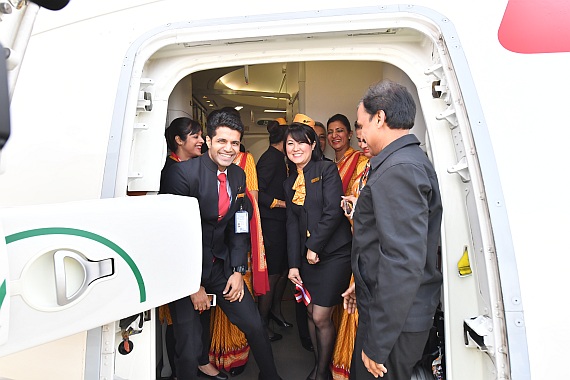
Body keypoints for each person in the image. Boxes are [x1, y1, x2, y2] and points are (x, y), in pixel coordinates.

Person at [161, 109, 282, 380]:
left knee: (255, 325)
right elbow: (174, 236)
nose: (229, 149)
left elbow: (239, 227)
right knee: (189, 348)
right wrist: (193, 286)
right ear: (209, 140)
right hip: (188, 273)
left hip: (221, 267)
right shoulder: (182, 175)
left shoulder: (238, 176)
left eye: (235, 143)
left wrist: (238, 270)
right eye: (222, 142)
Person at [348, 80, 443, 380]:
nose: (360, 133)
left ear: (380, 118)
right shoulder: (403, 161)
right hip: (389, 311)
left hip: (393, 325)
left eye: (361, 125)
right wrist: (361, 282)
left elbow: (402, 262)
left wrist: (377, 345)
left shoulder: (398, 169)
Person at [284, 122, 352, 380]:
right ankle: (319, 366)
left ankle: (322, 372)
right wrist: (293, 263)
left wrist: (314, 246)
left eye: (302, 142)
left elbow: (333, 211)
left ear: (313, 145)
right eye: (290, 143)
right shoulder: (289, 181)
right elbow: (292, 224)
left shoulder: (326, 170)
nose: (296, 148)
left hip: (334, 254)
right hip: (308, 259)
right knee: (311, 312)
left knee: (321, 315)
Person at [158, 116, 204, 379]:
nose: (201, 141)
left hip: (198, 260)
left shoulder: (196, 166)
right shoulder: (172, 173)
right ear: (178, 140)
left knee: (190, 328)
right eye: (195, 136)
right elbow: (178, 230)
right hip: (181, 261)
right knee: (184, 330)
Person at [331, 122, 373, 380]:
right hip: (358, 248)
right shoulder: (366, 167)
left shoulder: (374, 167)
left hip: (370, 254)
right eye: (361, 140)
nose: (362, 144)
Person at [256, 120, 292, 342]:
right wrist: (282, 204)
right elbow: (257, 191)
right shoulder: (270, 159)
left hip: (280, 225)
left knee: (281, 272)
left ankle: (275, 313)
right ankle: (262, 325)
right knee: (272, 275)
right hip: (271, 225)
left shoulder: (280, 158)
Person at [326, 114, 368, 195]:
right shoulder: (328, 165)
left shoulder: (361, 160)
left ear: (350, 134)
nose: (334, 135)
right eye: (330, 132)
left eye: (339, 130)